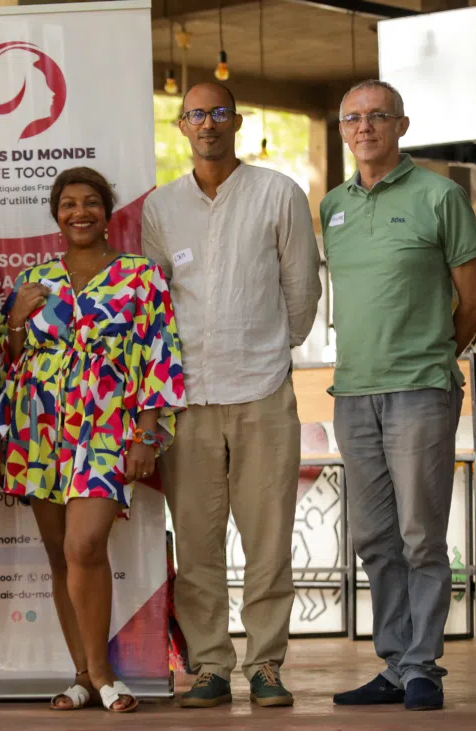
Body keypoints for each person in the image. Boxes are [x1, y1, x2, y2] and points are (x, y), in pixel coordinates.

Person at [142, 81, 321, 708]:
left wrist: (268, 348)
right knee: (196, 542)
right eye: (196, 114)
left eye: (218, 112)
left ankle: (266, 663)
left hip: (263, 391)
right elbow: (156, 301)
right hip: (187, 397)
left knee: (268, 537)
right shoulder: (161, 207)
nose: (208, 123)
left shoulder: (278, 193)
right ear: (182, 127)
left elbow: (302, 291)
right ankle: (211, 665)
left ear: (237, 121)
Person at [323, 80, 476, 712]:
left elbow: (474, 300)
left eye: (377, 116)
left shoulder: (440, 196)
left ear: (401, 125)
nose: (364, 127)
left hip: (420, 389)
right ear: (343, 131)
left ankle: (423, 666)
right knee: (374, 538)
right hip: (353, 392)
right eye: (352, 118)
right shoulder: (332, 206)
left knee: (422, 536)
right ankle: (395, 665)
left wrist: (433, 356)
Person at [0, 167, 186, 713]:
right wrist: (16, 319)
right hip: (39, 428)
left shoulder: (140, 276)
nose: (79, 212)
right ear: (56, 216)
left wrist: (147, 431)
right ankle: (81, 675)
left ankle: (103, 673)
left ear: (108, 213)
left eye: (90, 203)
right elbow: (10, 360)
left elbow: (159, 353)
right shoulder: (35, 278)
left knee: (83, 546)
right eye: (68, 204)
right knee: (59, 554)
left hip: (107, 426)